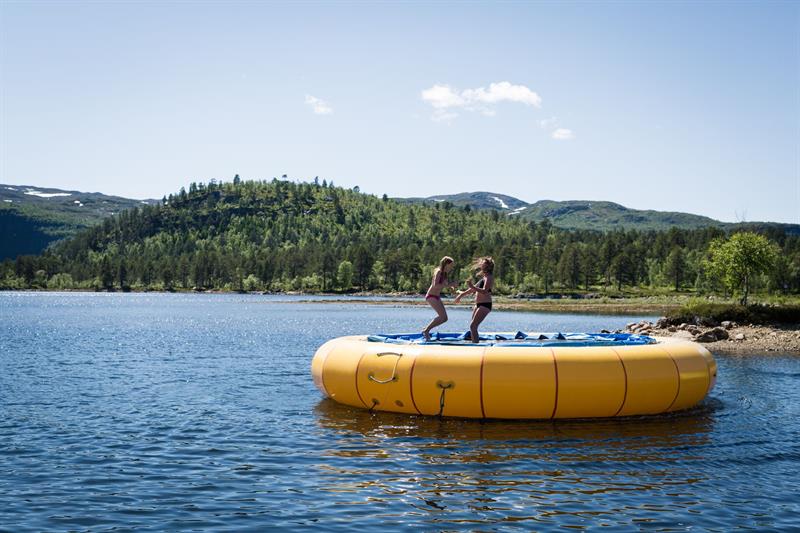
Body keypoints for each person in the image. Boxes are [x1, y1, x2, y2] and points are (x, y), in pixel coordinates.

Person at [454, 256, 494, 343]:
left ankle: (476, 345)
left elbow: (484, 291)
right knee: (472, 327)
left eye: (483, 264)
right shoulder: (484, 278)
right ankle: (474, 343)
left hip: (485, 305)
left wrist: (472, 286)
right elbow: (472, 289)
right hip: (478, 305)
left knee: (473, 326)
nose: (481, 265)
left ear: (488, 266)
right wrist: (461, 295)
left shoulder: (489, 277)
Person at [422, 256, 460, 341]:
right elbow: (435, 285)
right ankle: (426, 330)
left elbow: (445, 285)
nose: (452, 267)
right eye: (451, 265)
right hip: (431, 296)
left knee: (444, 318)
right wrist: (450, 285)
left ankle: (426, 329)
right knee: (442, 316)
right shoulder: (438, 271)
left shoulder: (445, 273)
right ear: (446, 264)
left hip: (436, 296)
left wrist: (453, 288)